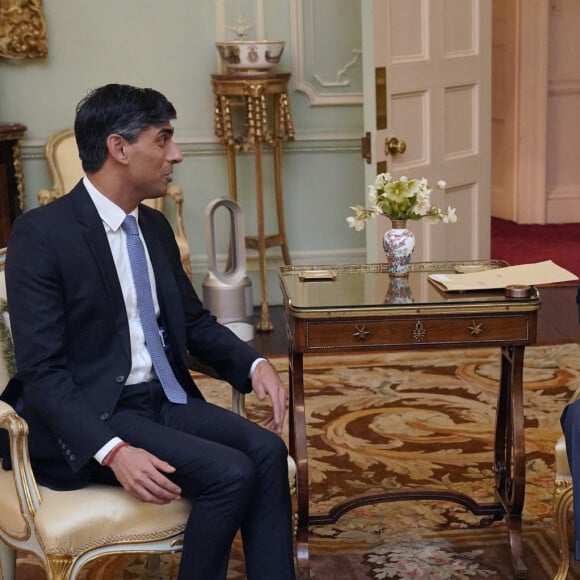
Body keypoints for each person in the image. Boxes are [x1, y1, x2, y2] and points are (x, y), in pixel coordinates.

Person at [2, 83, 295, 579]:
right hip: (96, 412)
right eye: (163, 140)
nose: (176, 155)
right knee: (230, 473)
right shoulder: (42, 235)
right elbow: (42, 372)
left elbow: (194, 324)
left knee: (267, 451)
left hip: (163, 399)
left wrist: (254, 363)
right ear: (119, 148)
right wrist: (112, 451)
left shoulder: (153, 229)